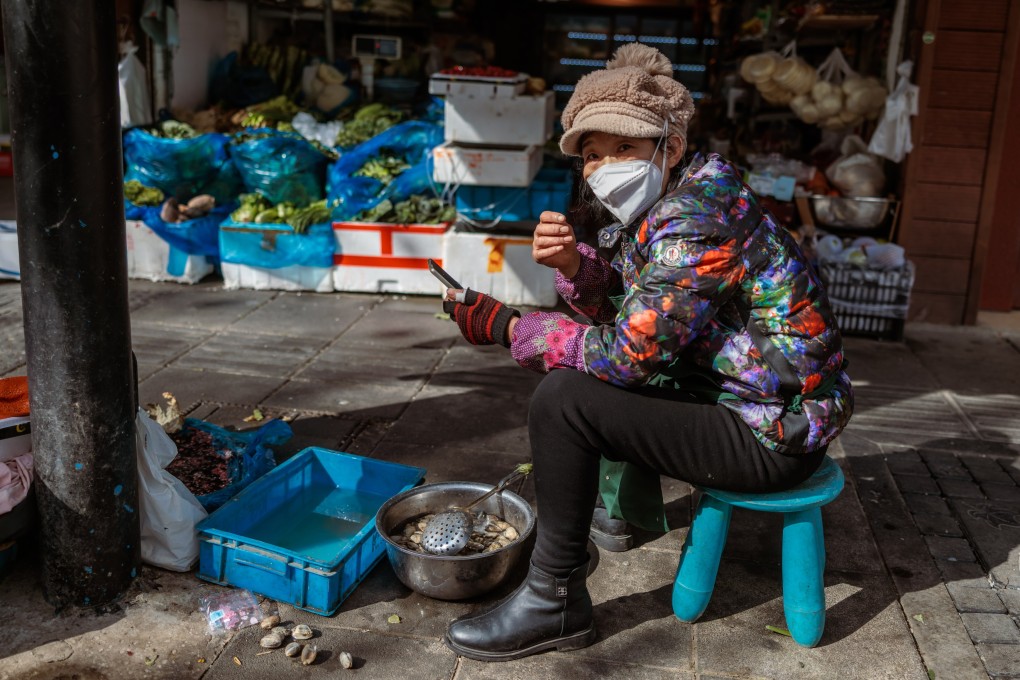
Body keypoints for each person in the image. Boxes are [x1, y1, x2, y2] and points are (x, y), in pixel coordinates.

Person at [438, 43, 853, 662]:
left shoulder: (698, 218)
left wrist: (512, 329)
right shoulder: (670, 205)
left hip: (770, 432)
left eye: (624, 148)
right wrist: (577, 265)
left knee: (563, 402)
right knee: (582, 389)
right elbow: (644, 317)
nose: (606, 166)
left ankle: (554, 598)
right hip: (748, 399)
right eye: (593, 154)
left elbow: (628, 354)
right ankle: (575, 540)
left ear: (671, 146)